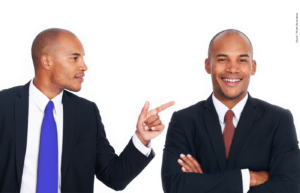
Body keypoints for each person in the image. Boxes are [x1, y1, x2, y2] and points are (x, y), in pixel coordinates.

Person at [0, 28, 175, 193]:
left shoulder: (86, 113)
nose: (84, 66)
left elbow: (114, 177)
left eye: (83, 58)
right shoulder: (4, 105)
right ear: (46, 61)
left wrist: (141, 138)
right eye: (74, 58)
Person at [161, 29, 300, 193]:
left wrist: (202, 184)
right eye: (222, 59)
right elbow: (174, 185)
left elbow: (290, 186)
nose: (233, 69)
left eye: (242, 60)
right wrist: (249, 178)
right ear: (208, 65)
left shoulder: (279, 120)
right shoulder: (183, 121)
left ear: (253, 67)